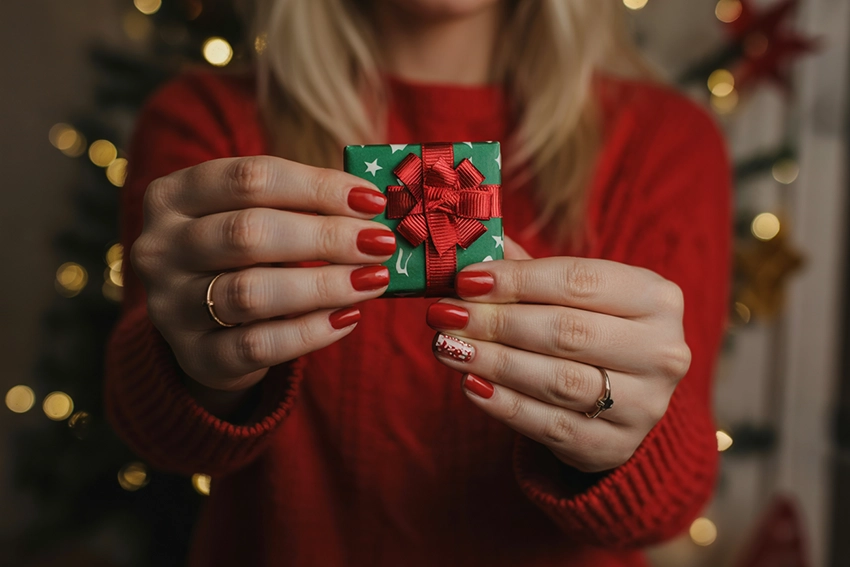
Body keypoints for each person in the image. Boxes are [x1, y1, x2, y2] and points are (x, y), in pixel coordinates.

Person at [105, 0, 731, 565]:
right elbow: (157, 429)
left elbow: (670, 499)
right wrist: (201, 365)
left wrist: (622, 434)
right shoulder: (207, 124)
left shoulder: (668, 143)